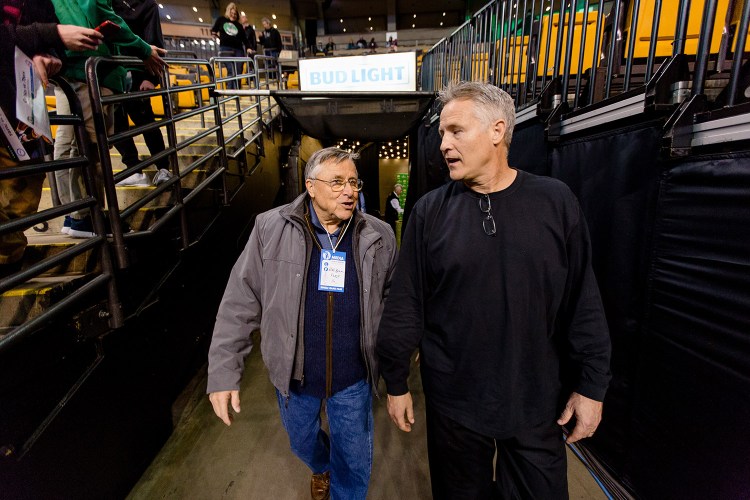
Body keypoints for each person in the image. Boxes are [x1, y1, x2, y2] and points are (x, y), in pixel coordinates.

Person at [377, 81, 612, 499]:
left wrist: (591, 385)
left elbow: (583, 302)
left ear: (498, 130)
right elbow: (406, 304)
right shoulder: (429, 212)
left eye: (456, 131)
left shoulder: (556, 202)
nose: (443, 144)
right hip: (454, 405)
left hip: (537, 400)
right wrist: (396, 382)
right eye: (441, 133)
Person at [207, 147, 397, 500]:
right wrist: (222, 372)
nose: (349, 191)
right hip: (294, 375)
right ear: (310, 186)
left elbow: (394, 301)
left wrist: (397, 353)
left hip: (353, 375)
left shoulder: (380, 235)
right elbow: (240, 300)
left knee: (354, 462)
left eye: (353, 181)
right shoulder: (270, 227)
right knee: (301, 442)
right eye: (337, 182)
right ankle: (323, 465)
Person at [0, 0, 103, 277]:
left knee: (21, 198)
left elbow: (44, 33)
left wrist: (46, 52)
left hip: (18, 106)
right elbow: (44, 30)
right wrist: (50, 35)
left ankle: (9, 270)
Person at [51, 0, 167, 238]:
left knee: (68, 144)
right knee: (89, 149)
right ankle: (85, 218)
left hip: (68, 69)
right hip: (87, 71)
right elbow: (106, 17)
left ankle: (73, 212)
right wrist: (144, 49)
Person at [112, 0, 173, 187]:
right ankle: (133, 168)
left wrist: (151, 78)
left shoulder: (148, 5)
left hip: (137, 70)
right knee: (115, 122)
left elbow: (154, 40)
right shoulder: (111, 3)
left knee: (144, 120)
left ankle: (163, 167)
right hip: (112, 69)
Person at [211, 3, 248, 90]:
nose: (233, 16)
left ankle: (237, 90)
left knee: (239, 69)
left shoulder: (239, 26)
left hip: (238, 49)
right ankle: (230, 90)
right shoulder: (221, 20)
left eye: (235, 14)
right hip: (225, 48)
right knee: (231, 69)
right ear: (228, 12)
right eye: (232, 14)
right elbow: (214, 30)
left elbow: (244, 39)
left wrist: (248, 47)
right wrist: (214, 34)